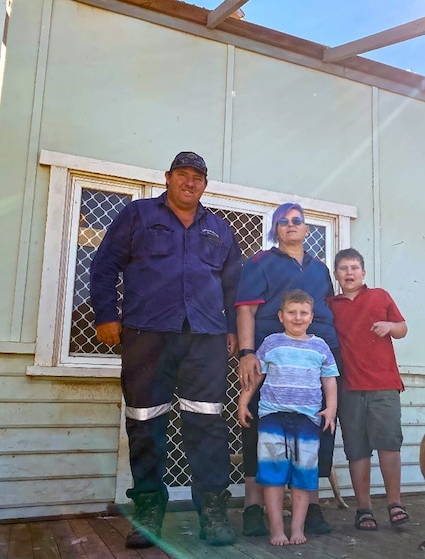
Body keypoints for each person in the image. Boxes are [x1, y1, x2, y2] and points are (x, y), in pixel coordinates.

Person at [89, 151, 241, 549]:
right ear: (168, 178)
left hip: (204, 338)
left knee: (207, 423)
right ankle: (148, 514)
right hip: (147, 333)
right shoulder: (138, 215)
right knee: (145, 421)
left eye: (198, 178)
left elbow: (232, 288)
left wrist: (231, 332)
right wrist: (106, 314)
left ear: (205, 185)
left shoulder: (220, 229)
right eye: (183, 175)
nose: (190, 183)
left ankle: (212, 511)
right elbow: (105, 264)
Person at [235, 202, 342, 537]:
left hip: (317, 356)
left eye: (297, 221)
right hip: (271, 359)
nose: (291, 226)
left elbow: (328, 307)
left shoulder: (319, 269)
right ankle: (253, 510)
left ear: (307, 229)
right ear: (275, 229)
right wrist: (247, 352)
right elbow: (246, 310)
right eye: (284, 221)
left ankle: (311, 509)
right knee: (260, 433)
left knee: (317, 432)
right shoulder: (260, 263)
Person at [237, 289, 339, 546]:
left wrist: (332, 408)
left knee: (303, 476)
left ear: (311, 316)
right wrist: (243, 402)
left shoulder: (320, 346)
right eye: (292, 313)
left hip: (307, 419)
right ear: (281, 316)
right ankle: (277, 530)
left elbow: (329, 379)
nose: (297, 317)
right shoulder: (272, 342)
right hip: (273, 417)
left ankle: (297, 529)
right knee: (273, 475)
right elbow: (257, 376)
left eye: (303, 313)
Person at [327, 248, 409, 531]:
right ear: (336, 274)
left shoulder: (380, 296)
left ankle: (395, 503)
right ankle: (364, 509)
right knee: (357, 449)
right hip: (348, 387)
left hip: (384, 384)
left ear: (363, 273)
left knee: (388, 444)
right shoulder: (330, 305)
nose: (349, 273)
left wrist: (390, 326)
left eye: (354, 268)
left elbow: (403, 328)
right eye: (343, 268)